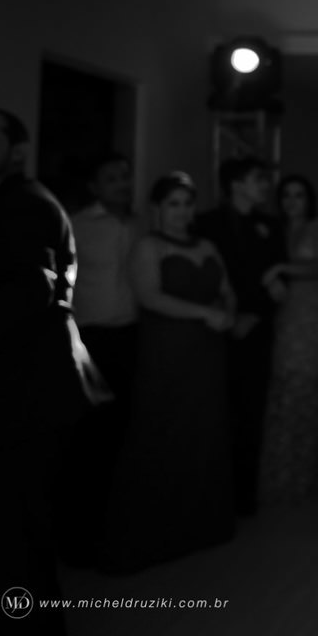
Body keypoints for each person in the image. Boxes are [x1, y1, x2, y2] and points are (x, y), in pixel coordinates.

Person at [0, 106, 99, 636]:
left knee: (14, 539)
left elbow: (28, 292)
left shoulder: (25, 205)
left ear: (17, 151)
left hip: (21, 397)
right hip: (6, 393)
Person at [98, 172, 236, 573]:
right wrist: (205, 313)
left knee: (204, 428)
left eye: (187, 203)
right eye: (174, 204)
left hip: (209, 350)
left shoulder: (208, 245)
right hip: (168, 349)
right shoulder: (148, 246)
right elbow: (149, 296)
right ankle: (154, 533)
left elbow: (226, 287)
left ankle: (203, 526)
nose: (182, 212)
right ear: (158, 208)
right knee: (163, 427)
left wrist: (227, 310)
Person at [58, 151, 142, 565]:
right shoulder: (76, 225)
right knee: (89, 436)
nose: (122, 184)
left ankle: (115, 530)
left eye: (125, 177)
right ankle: (79, 537)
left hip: (132, 335)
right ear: (94, 186)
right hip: (90, 338)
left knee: (124, 433)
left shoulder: (141, 223)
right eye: (112, 178)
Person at [196, 155, 286, 516]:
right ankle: (212, 493)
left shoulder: (270, 224)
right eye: (257, 179)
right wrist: (231, 314)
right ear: (235, 185)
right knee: (215, 410)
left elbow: (277, 279)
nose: (265, 186)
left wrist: (256, 314)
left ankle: (244, 497)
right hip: (216, 327)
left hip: (257, 326)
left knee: (252, 410)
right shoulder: (206, 223)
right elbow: (205, 275)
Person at [259, 174, 318, 505]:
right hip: (281, 314)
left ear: (309, 200)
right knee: (283, 388)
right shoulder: (272, 229)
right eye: (286, 195)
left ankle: (313, 473)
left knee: (308, 385)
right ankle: (282, 472)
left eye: (299, 195)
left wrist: (278, 268)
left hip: (312, 316)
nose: (292, 201)